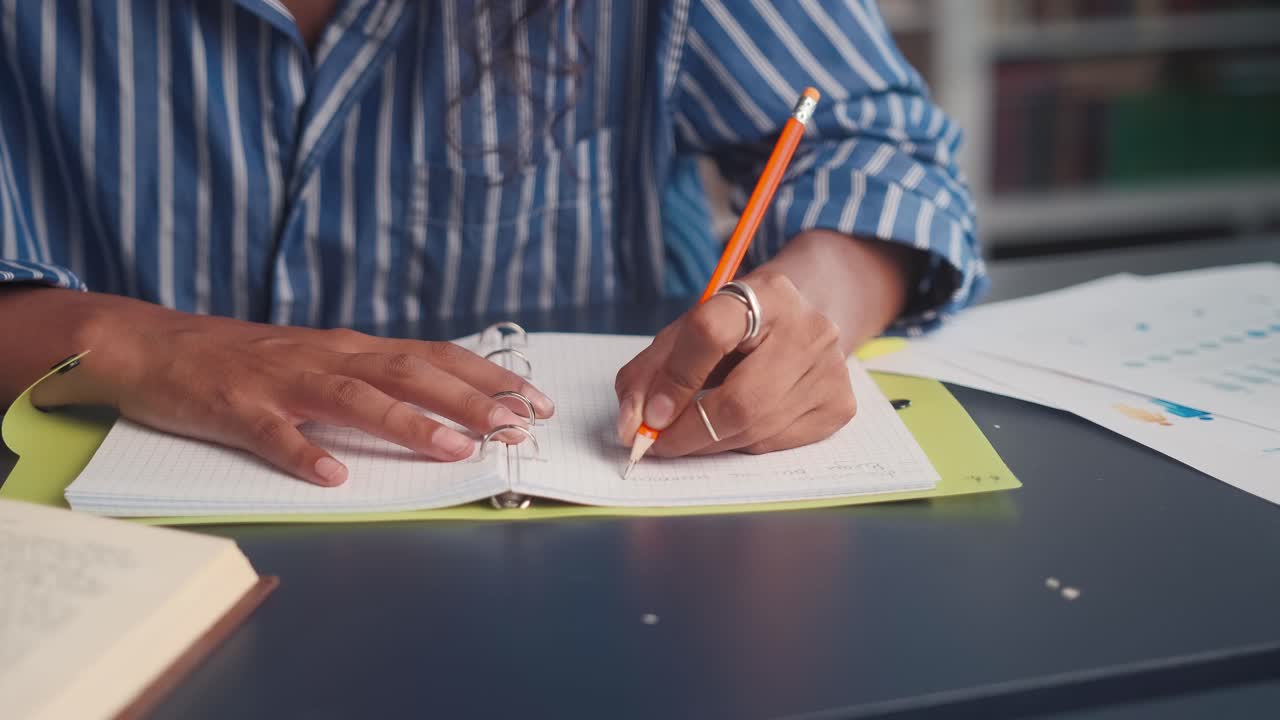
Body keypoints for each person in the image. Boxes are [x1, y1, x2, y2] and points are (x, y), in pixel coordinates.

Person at [0, 1, 984, 486]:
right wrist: (133, 343)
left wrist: (810, 296)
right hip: (109, 531)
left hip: (621, 551)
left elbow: (882, 147)